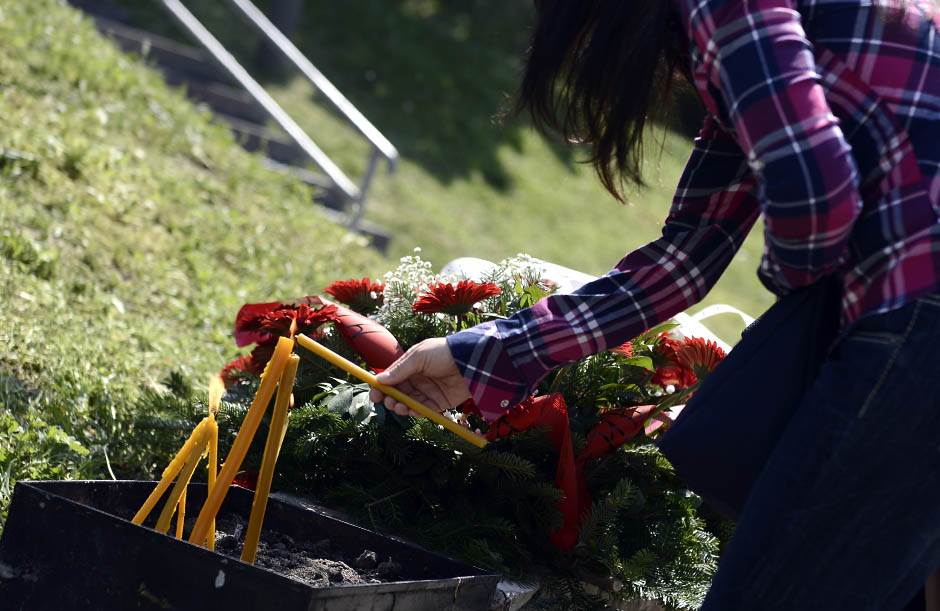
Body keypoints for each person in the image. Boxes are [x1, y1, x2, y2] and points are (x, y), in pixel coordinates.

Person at [370, 1, 940, 608]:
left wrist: (803, 294)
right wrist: (482, 355)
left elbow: (817, 202)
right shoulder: (757, 43)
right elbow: (684, 260)